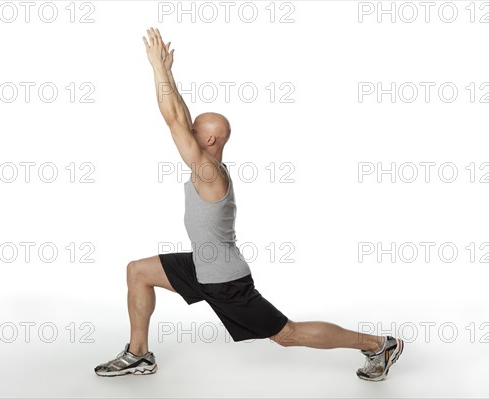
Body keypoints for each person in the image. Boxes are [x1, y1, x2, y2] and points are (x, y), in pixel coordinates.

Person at [94, 27, 404, 382]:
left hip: (224, 279)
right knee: (138, 271)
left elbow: (173, 119)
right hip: (201, 266)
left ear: (208, 140)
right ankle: (138, 354)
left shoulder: (208, 172)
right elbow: (180, 115)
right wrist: (169, 72)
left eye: (194, 132)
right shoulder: (206, 164)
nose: (186, 134)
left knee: (287, 335)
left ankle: (380, 344)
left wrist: (156, 68)